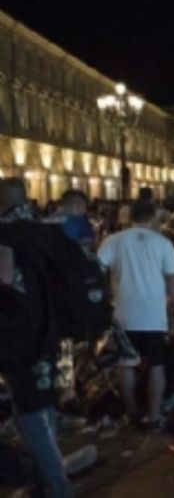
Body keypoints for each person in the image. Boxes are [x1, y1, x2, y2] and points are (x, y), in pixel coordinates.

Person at [0, 178, 74, 497]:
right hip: (55, 333)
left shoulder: (4, 234)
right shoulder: (50, 231)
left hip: (19, 338)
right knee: (46, 404)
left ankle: (57, 486)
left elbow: (3, 284)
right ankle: (49, 476)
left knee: (27, 409)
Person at [97, 200, 174, 432]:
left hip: (123, 314)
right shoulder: (163, 243)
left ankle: (132, 413)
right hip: (153, 315)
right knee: (157, 364)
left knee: (125, 365)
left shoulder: (114, 240)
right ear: (154, 216)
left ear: (129, 217)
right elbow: (173, 282)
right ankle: (155, 416)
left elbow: (96, 269)